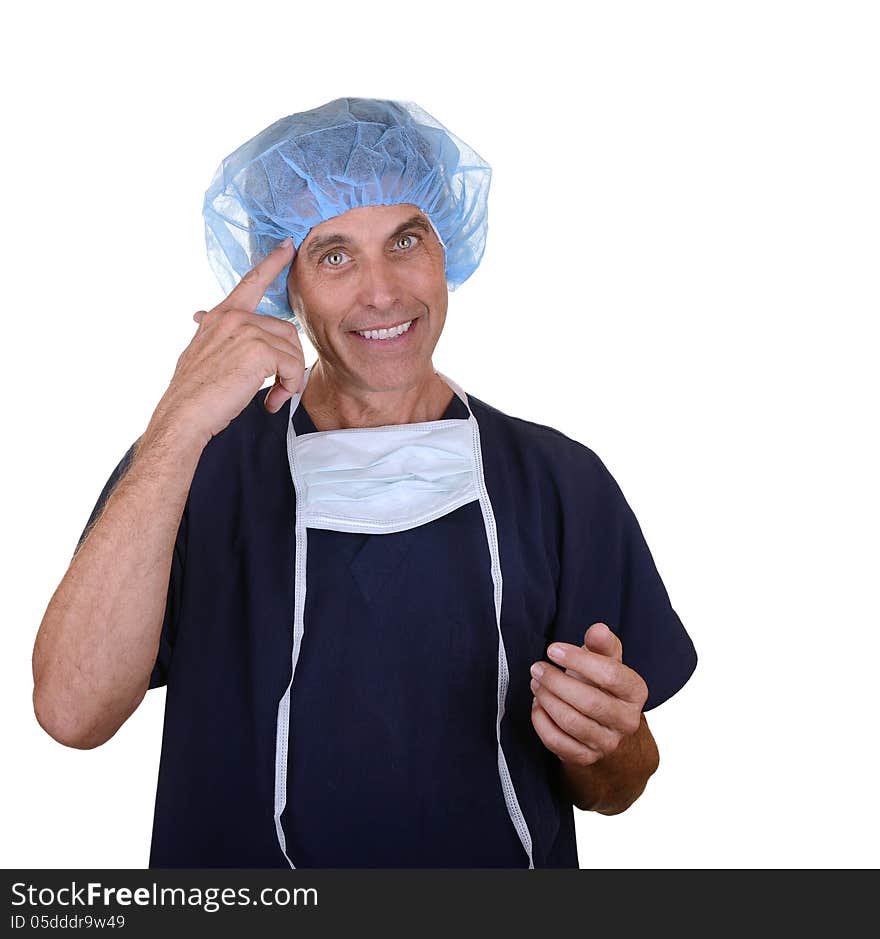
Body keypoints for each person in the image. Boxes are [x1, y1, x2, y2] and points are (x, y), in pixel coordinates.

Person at [32, 98, 697, 869]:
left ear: (448, 248)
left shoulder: (558, 481)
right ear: (286, 286)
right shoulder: (193, 469)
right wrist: (178, 419)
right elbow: (71, 712)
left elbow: (619, 783)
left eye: (406, 240)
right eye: (335, 255)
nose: (382, 293)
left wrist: (608, 745)